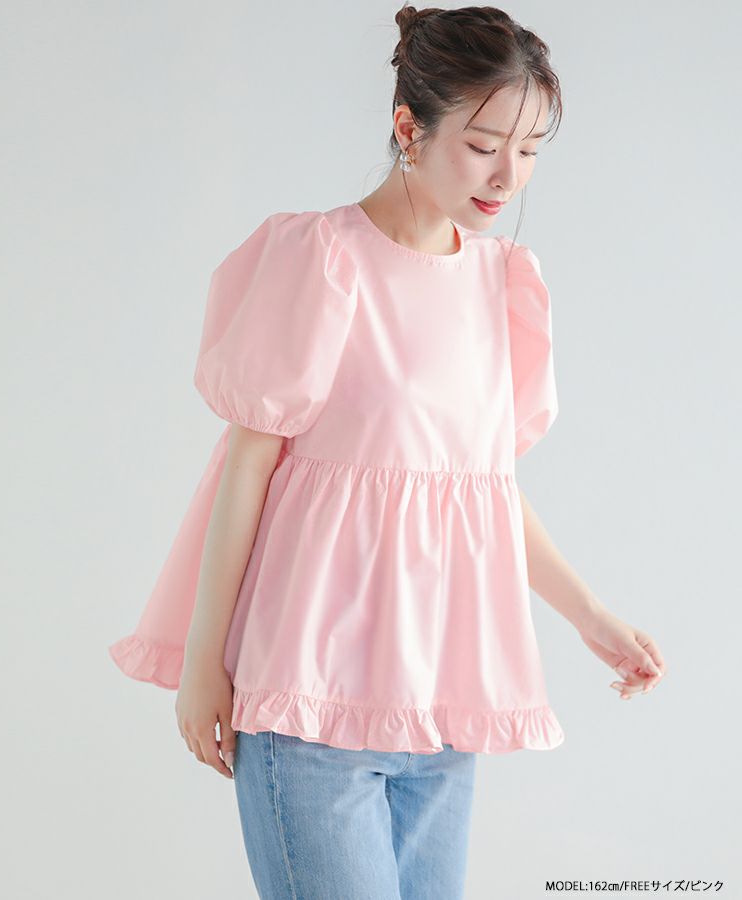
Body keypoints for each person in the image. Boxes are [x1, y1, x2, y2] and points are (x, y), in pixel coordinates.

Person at [109, 4, 667, 898]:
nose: (508, 175)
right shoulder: (322, 258)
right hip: (309, 704)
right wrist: (203, 665)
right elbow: (247, 466)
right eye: (484, 145)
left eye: (529, 150)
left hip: (440, 719)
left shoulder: (501, 281)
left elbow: (481, 490)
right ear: (409, 128)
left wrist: (593, 618)